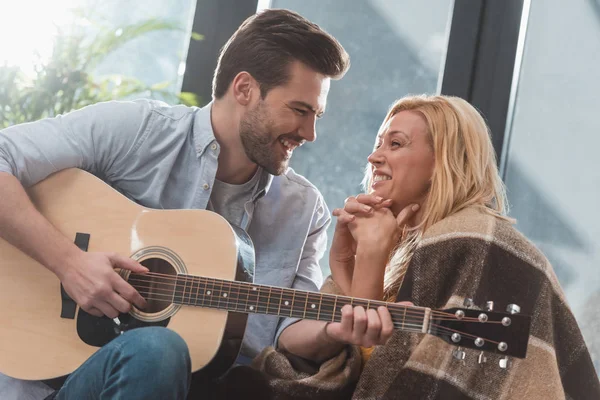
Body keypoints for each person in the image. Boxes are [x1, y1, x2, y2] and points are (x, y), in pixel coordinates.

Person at [0, 8, 349, 400]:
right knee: (156, 349)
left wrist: (335, 329)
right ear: (245, 89)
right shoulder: (138, 132)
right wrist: (70, 263)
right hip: (50, 385)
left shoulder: (305, 211)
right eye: (300, 111)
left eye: (316, 115)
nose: (311, 133)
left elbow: (287, 330)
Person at [255, 94, 600, 400]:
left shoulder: (477, 241)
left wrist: (368, 261)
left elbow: (406, 381)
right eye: (378, 143)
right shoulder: (391, 242)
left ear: (443, 162)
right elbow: (296, 343)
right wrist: (350, 263)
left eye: (396, 144)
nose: (374, 156)